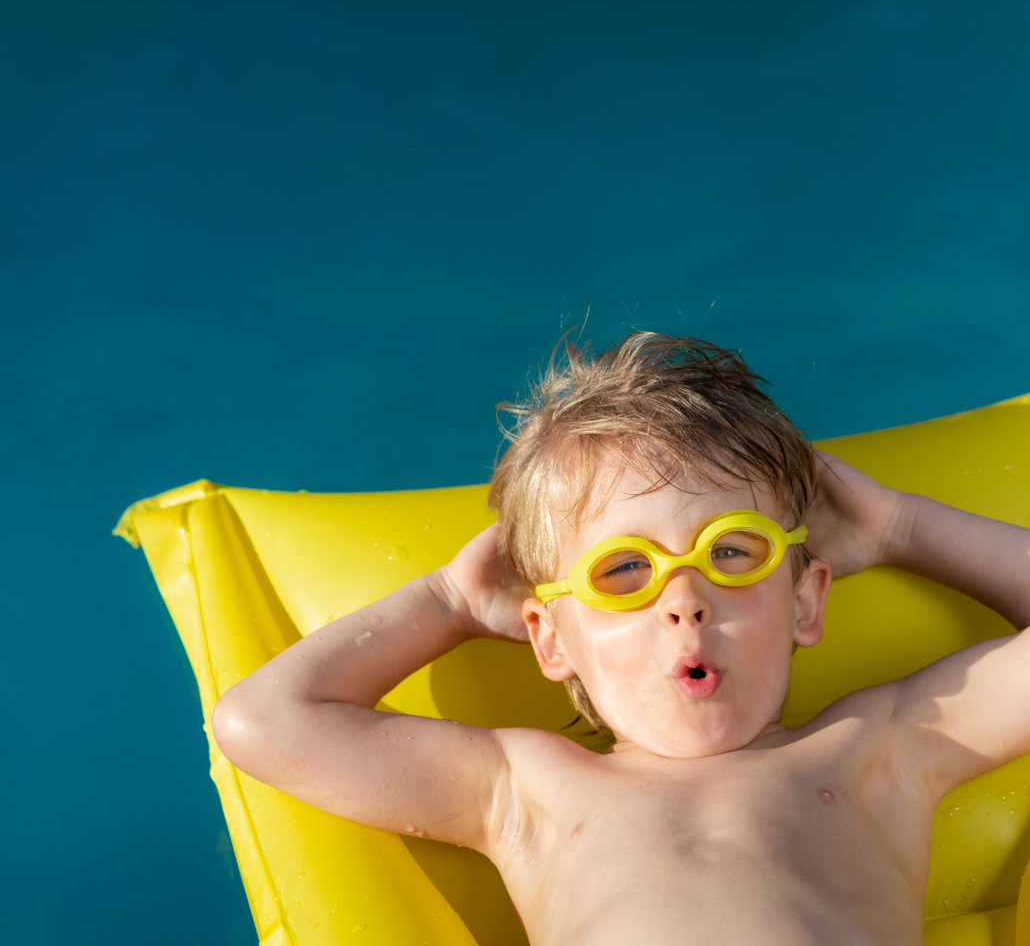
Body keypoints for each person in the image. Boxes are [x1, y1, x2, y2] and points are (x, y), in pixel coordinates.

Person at [212, 333, 1030, 946]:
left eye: (732, 553)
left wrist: (899, 526)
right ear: (550, 640)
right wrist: (451, 598)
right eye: (623, 572)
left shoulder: (883, 747)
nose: (685, 601)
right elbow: (264, 720)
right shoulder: (524, 790)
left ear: (807, 601)